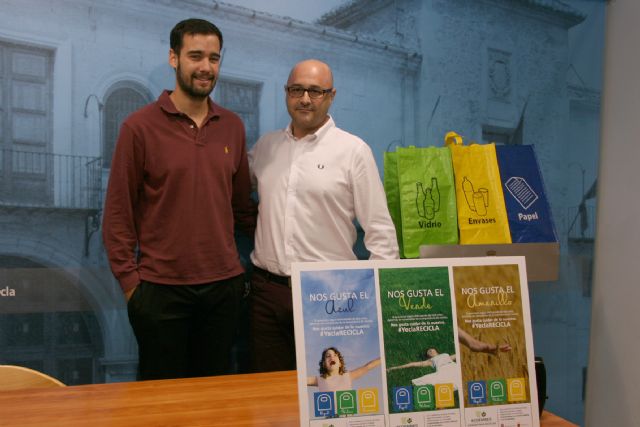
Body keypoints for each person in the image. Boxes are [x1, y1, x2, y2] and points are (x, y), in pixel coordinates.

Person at [102, 18, 255, 380]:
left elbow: (242, 210)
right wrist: (132, 288)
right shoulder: (138, 127)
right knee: (162, 401)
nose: (206, 67)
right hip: (160, 293)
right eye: (195, 56)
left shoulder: (232, 126)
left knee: (215, 398)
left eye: (214, 58)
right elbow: (118, 214)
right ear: (174, 58)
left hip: (223, 291)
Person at [248, 59, 399, 372]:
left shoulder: (353, 151)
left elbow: (380, 232)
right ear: (286, 93)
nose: (305, 98)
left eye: (315, 91)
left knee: (330, 389)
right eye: (297, 90)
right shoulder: (266, 147)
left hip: (329, 298)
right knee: (268, 389)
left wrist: (375, 300)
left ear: (331, 96)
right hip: (267, 295)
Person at [307, 347, 381, 392]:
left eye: (335, 355)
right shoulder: (319, 379)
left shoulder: (347, 376)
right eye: (328, 356)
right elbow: (302, 380)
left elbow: (367, 367)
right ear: (324, 364)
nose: (332, 357)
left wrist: (383, 357)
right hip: (329, 413)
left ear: (340, 364)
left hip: (347, 413)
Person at [387, 347, 459, 387]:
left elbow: (457, 355)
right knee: (426, 379)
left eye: (430, 349)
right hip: (443, 370)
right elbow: (412, 364)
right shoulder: (430, 361)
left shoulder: (446, 355)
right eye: (428, 352)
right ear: (428, 356)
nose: (430, 351)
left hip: (453, 366)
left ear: (435, 350)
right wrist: (394, 368)